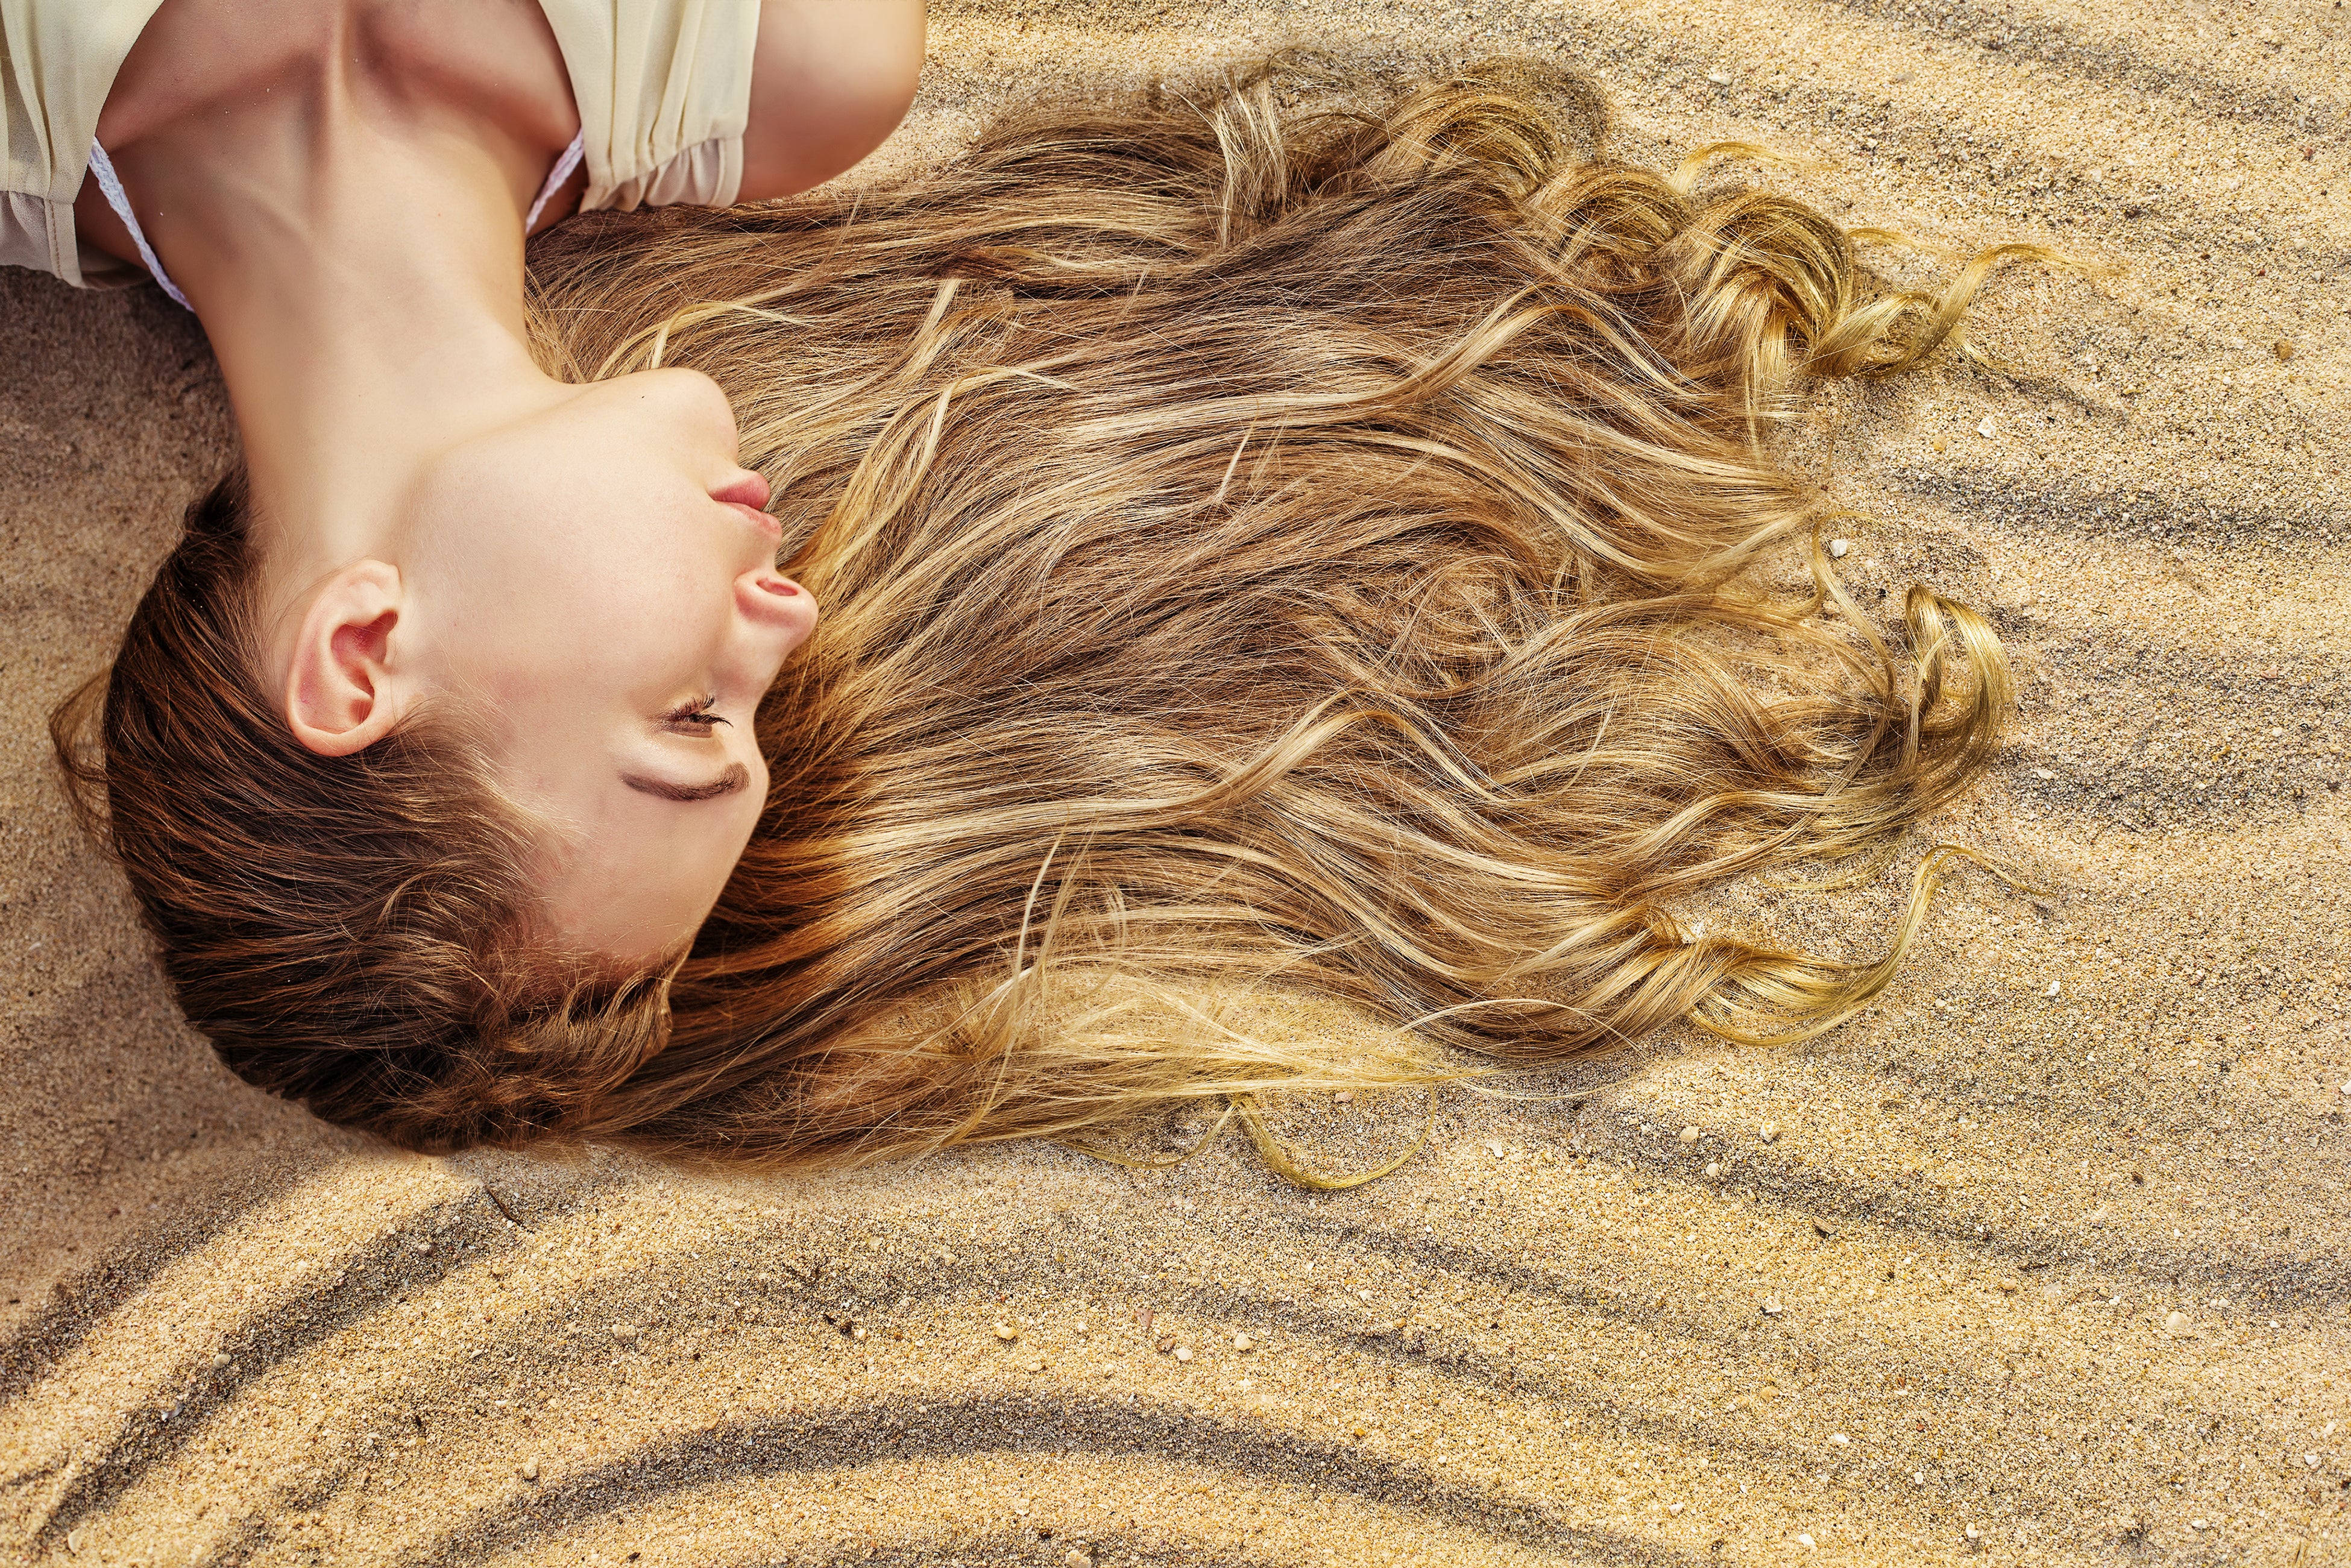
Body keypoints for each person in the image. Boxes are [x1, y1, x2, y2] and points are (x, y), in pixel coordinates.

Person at [50, 46, 2046, 1172]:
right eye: (765, 724)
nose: (778, 628)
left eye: (685, 724)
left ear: (362, 656)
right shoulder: (768, 60)